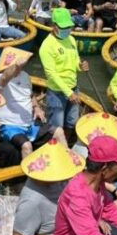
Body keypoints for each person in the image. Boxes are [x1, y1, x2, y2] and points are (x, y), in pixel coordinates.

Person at [0, 46, 64, 158]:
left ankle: (66, 165)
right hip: (10, 126)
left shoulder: (25, 76)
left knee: (58, 131)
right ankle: (28, 175)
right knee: (26, 146)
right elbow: (5, 77)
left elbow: (30, 95)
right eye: (20, 64)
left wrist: (37, 107)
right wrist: (16, 66)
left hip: (30, 124)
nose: (22, 67)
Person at [39, 8, 88, 140]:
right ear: (54, 26)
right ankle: (56, 149)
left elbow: (76, 61)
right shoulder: (47, 46)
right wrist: (69, 93)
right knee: (56, 127)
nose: (67, 29)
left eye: (69, 26)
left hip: (73, 88)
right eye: (64, 27)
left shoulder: (71, 39)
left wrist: (81, 66)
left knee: (71, 123)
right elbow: (51, 74)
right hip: (57, 93)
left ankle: (65, 148)